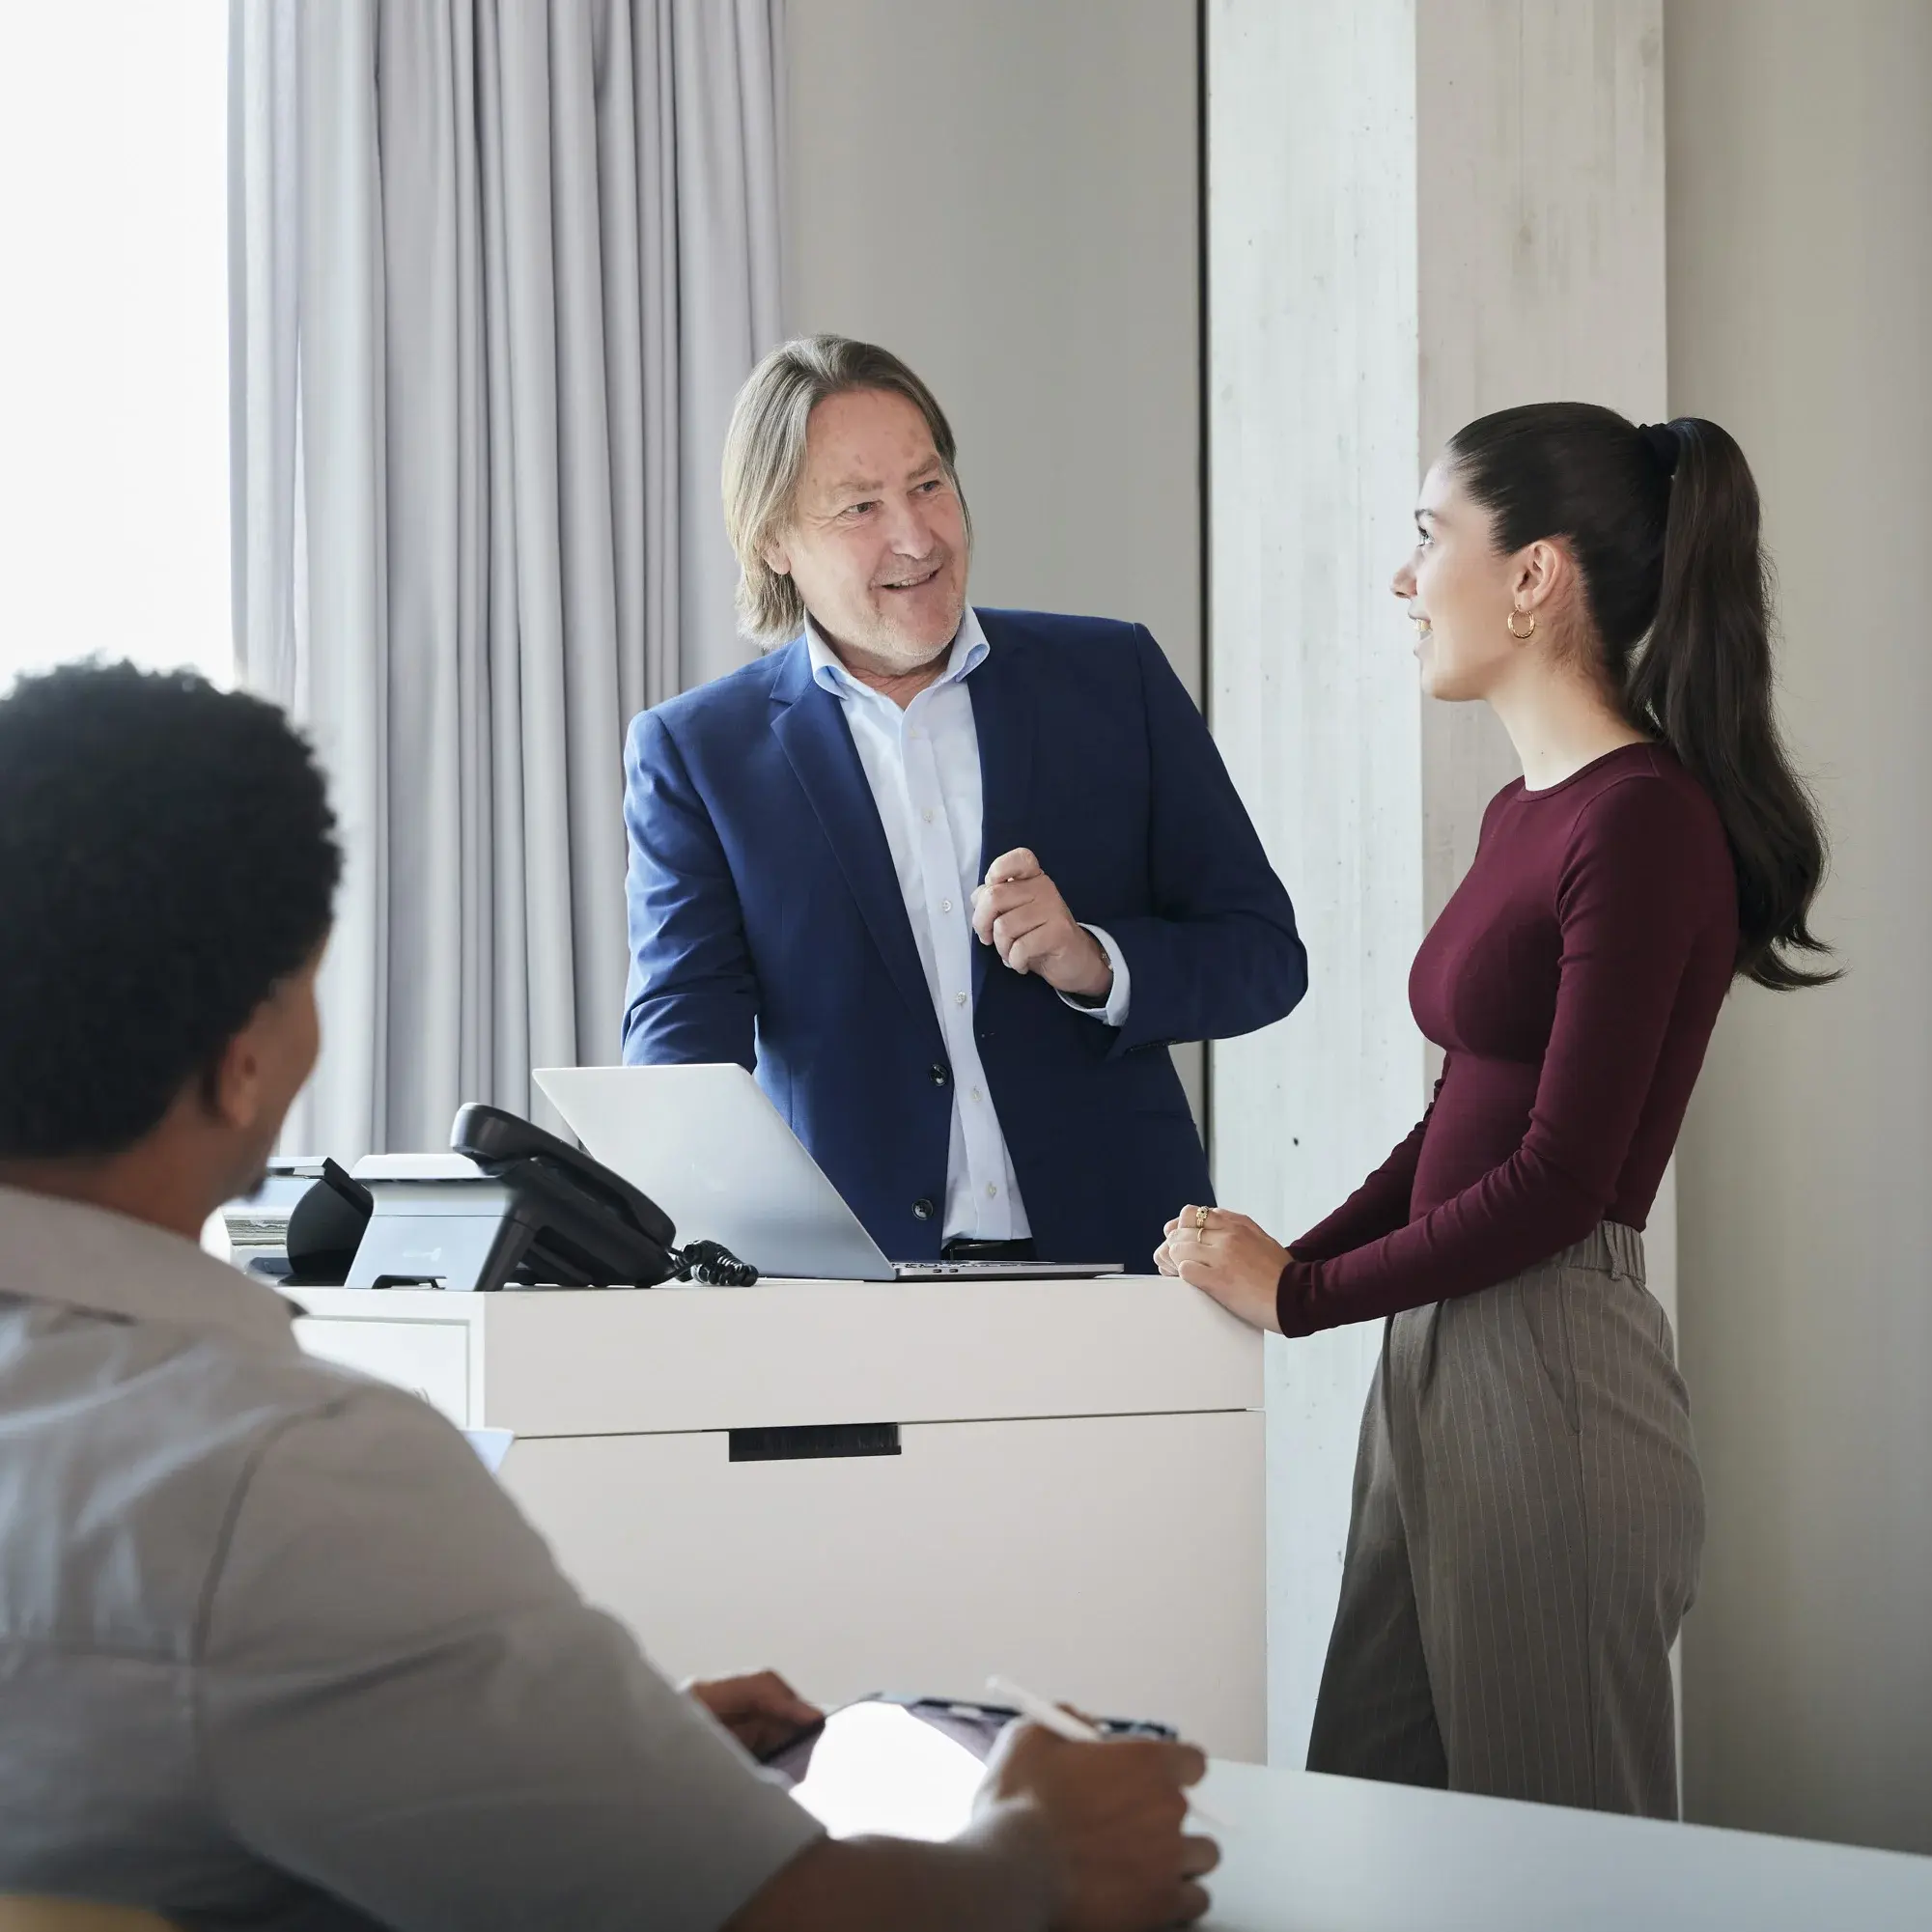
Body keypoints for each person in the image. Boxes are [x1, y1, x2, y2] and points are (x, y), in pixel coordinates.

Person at [0, 663, 1218, 1929]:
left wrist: (560, 1760)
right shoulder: (289, 1481)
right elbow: (787, 1916)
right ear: (246, 1062)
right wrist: (1032, 1859)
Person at [1159, 406, 1834, 1818]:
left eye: (1427, 537)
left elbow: (1553, 1181)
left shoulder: (1640, 821)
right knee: (1380, 1826)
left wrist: (1301, 1294)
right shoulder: (1528, 813)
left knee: (1564, 1880)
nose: (1405, 581)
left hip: (1551, 1366)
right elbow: (1456, 1121)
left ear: (1531, 577)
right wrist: (1292, 1255)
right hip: (1438, 1356)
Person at [622, 335, 1306, 1269]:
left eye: (928, 484)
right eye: (859, 506)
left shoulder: (1115, 678)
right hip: (848, 1287)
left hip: (1129, 1264)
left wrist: (1094, 960)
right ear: (773, 541)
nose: (915, 536)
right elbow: (682, 1054)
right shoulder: (698, 753)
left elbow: (1262, 955)